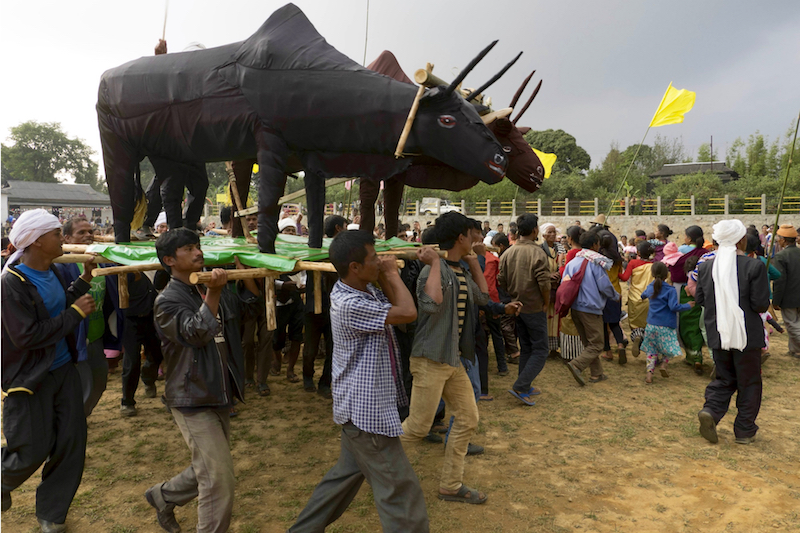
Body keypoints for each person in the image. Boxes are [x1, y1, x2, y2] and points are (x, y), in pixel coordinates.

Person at [289, 230, 429, 532]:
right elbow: (407, 312)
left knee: (343, 479)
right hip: (367, 412)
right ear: (354, 267)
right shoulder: (350, 303)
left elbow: (396, 304)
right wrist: (391, 272)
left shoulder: (364, 290)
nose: (379, 261)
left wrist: (383, 276)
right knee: (401, 492)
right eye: (373, 258)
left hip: (358, 406)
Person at [145, 228, 256, 533]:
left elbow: (245, 312)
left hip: (218, 391)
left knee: (208, 468)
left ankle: (163, 496)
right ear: (169, 259)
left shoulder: (202, 286)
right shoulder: (167, 300)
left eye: (198, 246)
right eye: (188, 249)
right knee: (218, 479)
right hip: (190, 395)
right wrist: (216, 294)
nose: (198, 252)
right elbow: (196, 333)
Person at [1, 209, 96, 532]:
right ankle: (2, 484)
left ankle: (52, 514)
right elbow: (27, 335)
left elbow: (56, 308)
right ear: (39, 241)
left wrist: (82, 283)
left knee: (71, 442)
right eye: (57, 234)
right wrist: (74, 314)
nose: (62, 239)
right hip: (30, 378)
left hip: (63, 370)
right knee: (31, 448)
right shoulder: (11, 284)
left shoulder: (52, 272)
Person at [401, 211, 490, 504]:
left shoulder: (460, 270)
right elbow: (430, 304)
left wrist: (474, 263)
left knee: (467, 418)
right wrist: (437, 263)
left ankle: (451, 485)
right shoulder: (432, 270)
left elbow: (483, 298)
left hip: (451, 360)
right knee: (417, 427)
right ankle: (369, 463)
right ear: (461, 237)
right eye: (471, 233)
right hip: (430, 360)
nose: (476, 238)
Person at [696, 220, 770, 445]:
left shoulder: (707, 266)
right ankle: (744, 430)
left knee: (724, 378)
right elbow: (760, 305)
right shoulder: (754, 266)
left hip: (718, 332)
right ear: (740, 240)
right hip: (746, 335)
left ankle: (711, 410)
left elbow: (700, 299)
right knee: (749, 382)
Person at [57, 216, 111, 417]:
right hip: (75, 339)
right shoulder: (62, 267)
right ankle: (74, 424)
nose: (88, 235)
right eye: (81, 232)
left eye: (90, 231)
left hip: (96, 336)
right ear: (66, 238)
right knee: (82, 386)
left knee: (99, 382)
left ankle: (82, 417)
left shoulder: (101, 263)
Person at [498, 214, 552, 405]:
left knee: (527, 347)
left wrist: (513, 297)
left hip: (516, 307)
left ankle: (525, 384)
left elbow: (501, 281)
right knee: (541, 349)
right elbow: (544, 283)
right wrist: (545, 303)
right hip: (534, 307)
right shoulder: (538, 253)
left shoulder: (507, 253)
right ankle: (521, 386)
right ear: (535, 231)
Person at [563, 231, 620, 386]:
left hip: (575, 308)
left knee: (589, 343)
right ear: (595, 244)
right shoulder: (595, 262)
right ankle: (576, 365)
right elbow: (604, 286)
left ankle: (597, 374)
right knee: (597, 344)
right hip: (590, 308)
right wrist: (615, 296)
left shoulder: (572, 262)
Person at [301, 215, 347, 397]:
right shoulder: (310, 250)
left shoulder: (343, 251)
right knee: (310, 349)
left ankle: (325, 383)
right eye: (345, 226)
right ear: (338, 228)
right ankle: (307, 377)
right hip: (313, 306)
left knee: (333, 348)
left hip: (334, 307)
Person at [641, 262, 694, 384]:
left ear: (652, 273)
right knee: (668, 347)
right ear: (667, 274)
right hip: (666, 325)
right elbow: (673, 307)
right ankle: (664, 364)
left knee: (651, 350)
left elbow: (643, 295)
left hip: (651, 324)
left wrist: (644, 297)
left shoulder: (650, 287)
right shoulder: (670, 290)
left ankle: (649, 375)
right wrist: (687, 306)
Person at [618, 241, 656, 357]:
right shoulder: (654, 265)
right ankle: (649, 347)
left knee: (635, 323)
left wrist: (617, 271)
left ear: (638, 252)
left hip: (635, 297)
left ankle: (637, 337)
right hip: (650, 298)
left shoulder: (633, 263)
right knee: (648, 323)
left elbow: (624, 278)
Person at [491, 233, 520, 364]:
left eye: (494, 246)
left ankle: (514, 352)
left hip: (506, 294)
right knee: (512, 324)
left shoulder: (503, 257)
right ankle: (511, 351)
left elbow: (501, 278)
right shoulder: (514, 253)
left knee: (505, 324)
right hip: (515, 293)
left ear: (500, 246)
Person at [772, 224, 800, 357]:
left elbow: (779, 281)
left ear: (783, 240)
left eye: (778, 238)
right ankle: (794, 350)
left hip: (789, 297)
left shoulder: (781, 256)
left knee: (792, 325)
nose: (777, 240)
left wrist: (776, 300)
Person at [539, 223, 562, 359]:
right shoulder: (539, 250)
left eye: (554, 232)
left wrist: (559, 272)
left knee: (556, 318)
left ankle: (554, 348)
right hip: (545, 288)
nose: (553, 235)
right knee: (546, 317)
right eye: (550, 232)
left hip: (557, 287)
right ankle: (544, 347)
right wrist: (548, 275)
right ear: (543, 235)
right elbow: (536, 268)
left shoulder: (560, 249)